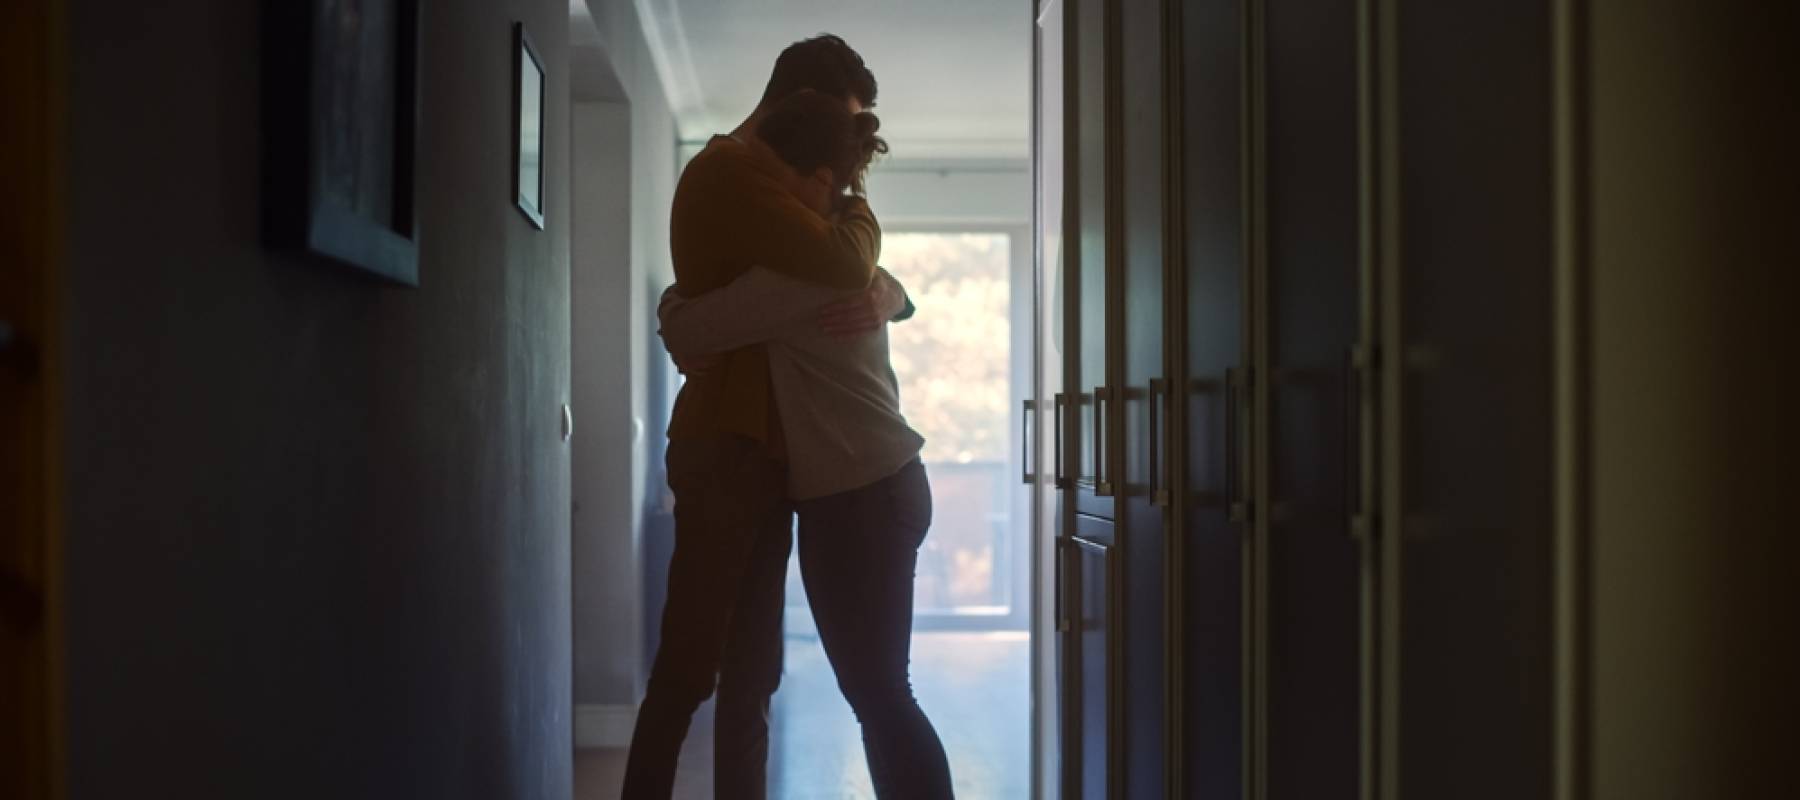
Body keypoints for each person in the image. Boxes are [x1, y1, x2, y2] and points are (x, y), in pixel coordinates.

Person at [619, 35, 914, 800]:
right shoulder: (731, 175)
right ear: (801, 106)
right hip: (726, 448)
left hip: (768, 450)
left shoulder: (774, 184)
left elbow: (822, 270)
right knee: (691, 667)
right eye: (840, 131)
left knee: (752, 671)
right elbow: (836, 267)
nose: (842, 157)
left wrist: (894, 292)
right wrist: (864, 225)